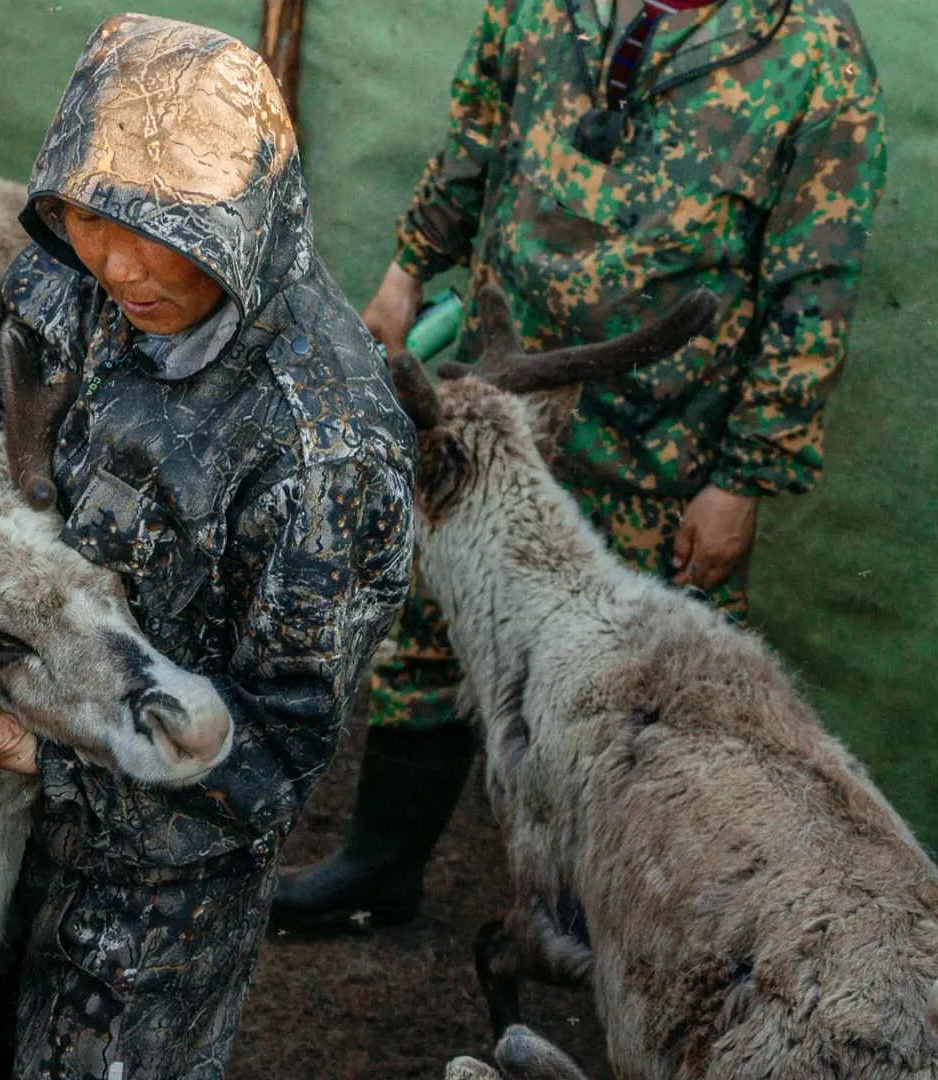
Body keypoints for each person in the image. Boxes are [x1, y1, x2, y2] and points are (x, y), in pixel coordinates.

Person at [275, 0, 886, 930]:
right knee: (437, 631)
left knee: (662, 699)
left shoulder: (815, 56)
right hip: (498, 401)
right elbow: (476, 131)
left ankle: (658, 933)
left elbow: (817, 292)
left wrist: (744, 479)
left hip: (666, 444)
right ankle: (379, 866)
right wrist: (407, 269)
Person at [0, 15, 416, 1076]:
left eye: (164, 232)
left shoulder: (327, 450)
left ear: (247, 215)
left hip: (144, 911)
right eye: (88, 217)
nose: (117, 263)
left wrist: (35, 762)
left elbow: (269, 764)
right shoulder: (64, 276)